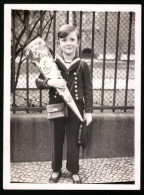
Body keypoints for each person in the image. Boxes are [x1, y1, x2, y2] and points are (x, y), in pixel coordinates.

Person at [36, 24, 93, 184]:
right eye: (64, 40)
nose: (68, 43)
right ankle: (56, 169)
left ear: (78, 42)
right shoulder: (51, 64)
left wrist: (88, 111)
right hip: (56, 107)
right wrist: (50, 81)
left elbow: (88, 88)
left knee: (73, 140)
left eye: (72, 39)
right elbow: (38, 81)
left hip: (76, 108)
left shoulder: (83, 65)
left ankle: (73, 170)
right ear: (58, 43)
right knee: (57, 138)